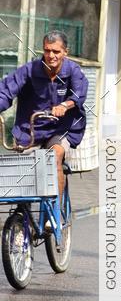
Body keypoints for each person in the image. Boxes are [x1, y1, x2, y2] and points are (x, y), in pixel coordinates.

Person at [0, 30, 88, 201]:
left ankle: (54, 213)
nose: (51, 55)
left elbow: (79, 94)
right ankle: (22, 215)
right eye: (47, 51)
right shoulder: (29, 70)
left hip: (61, 128)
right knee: (23, 170)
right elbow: (6, 91)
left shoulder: (72, 71)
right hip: (31, 129)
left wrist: (65, 105)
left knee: (54, 157)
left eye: (56, 51)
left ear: (65, 52)